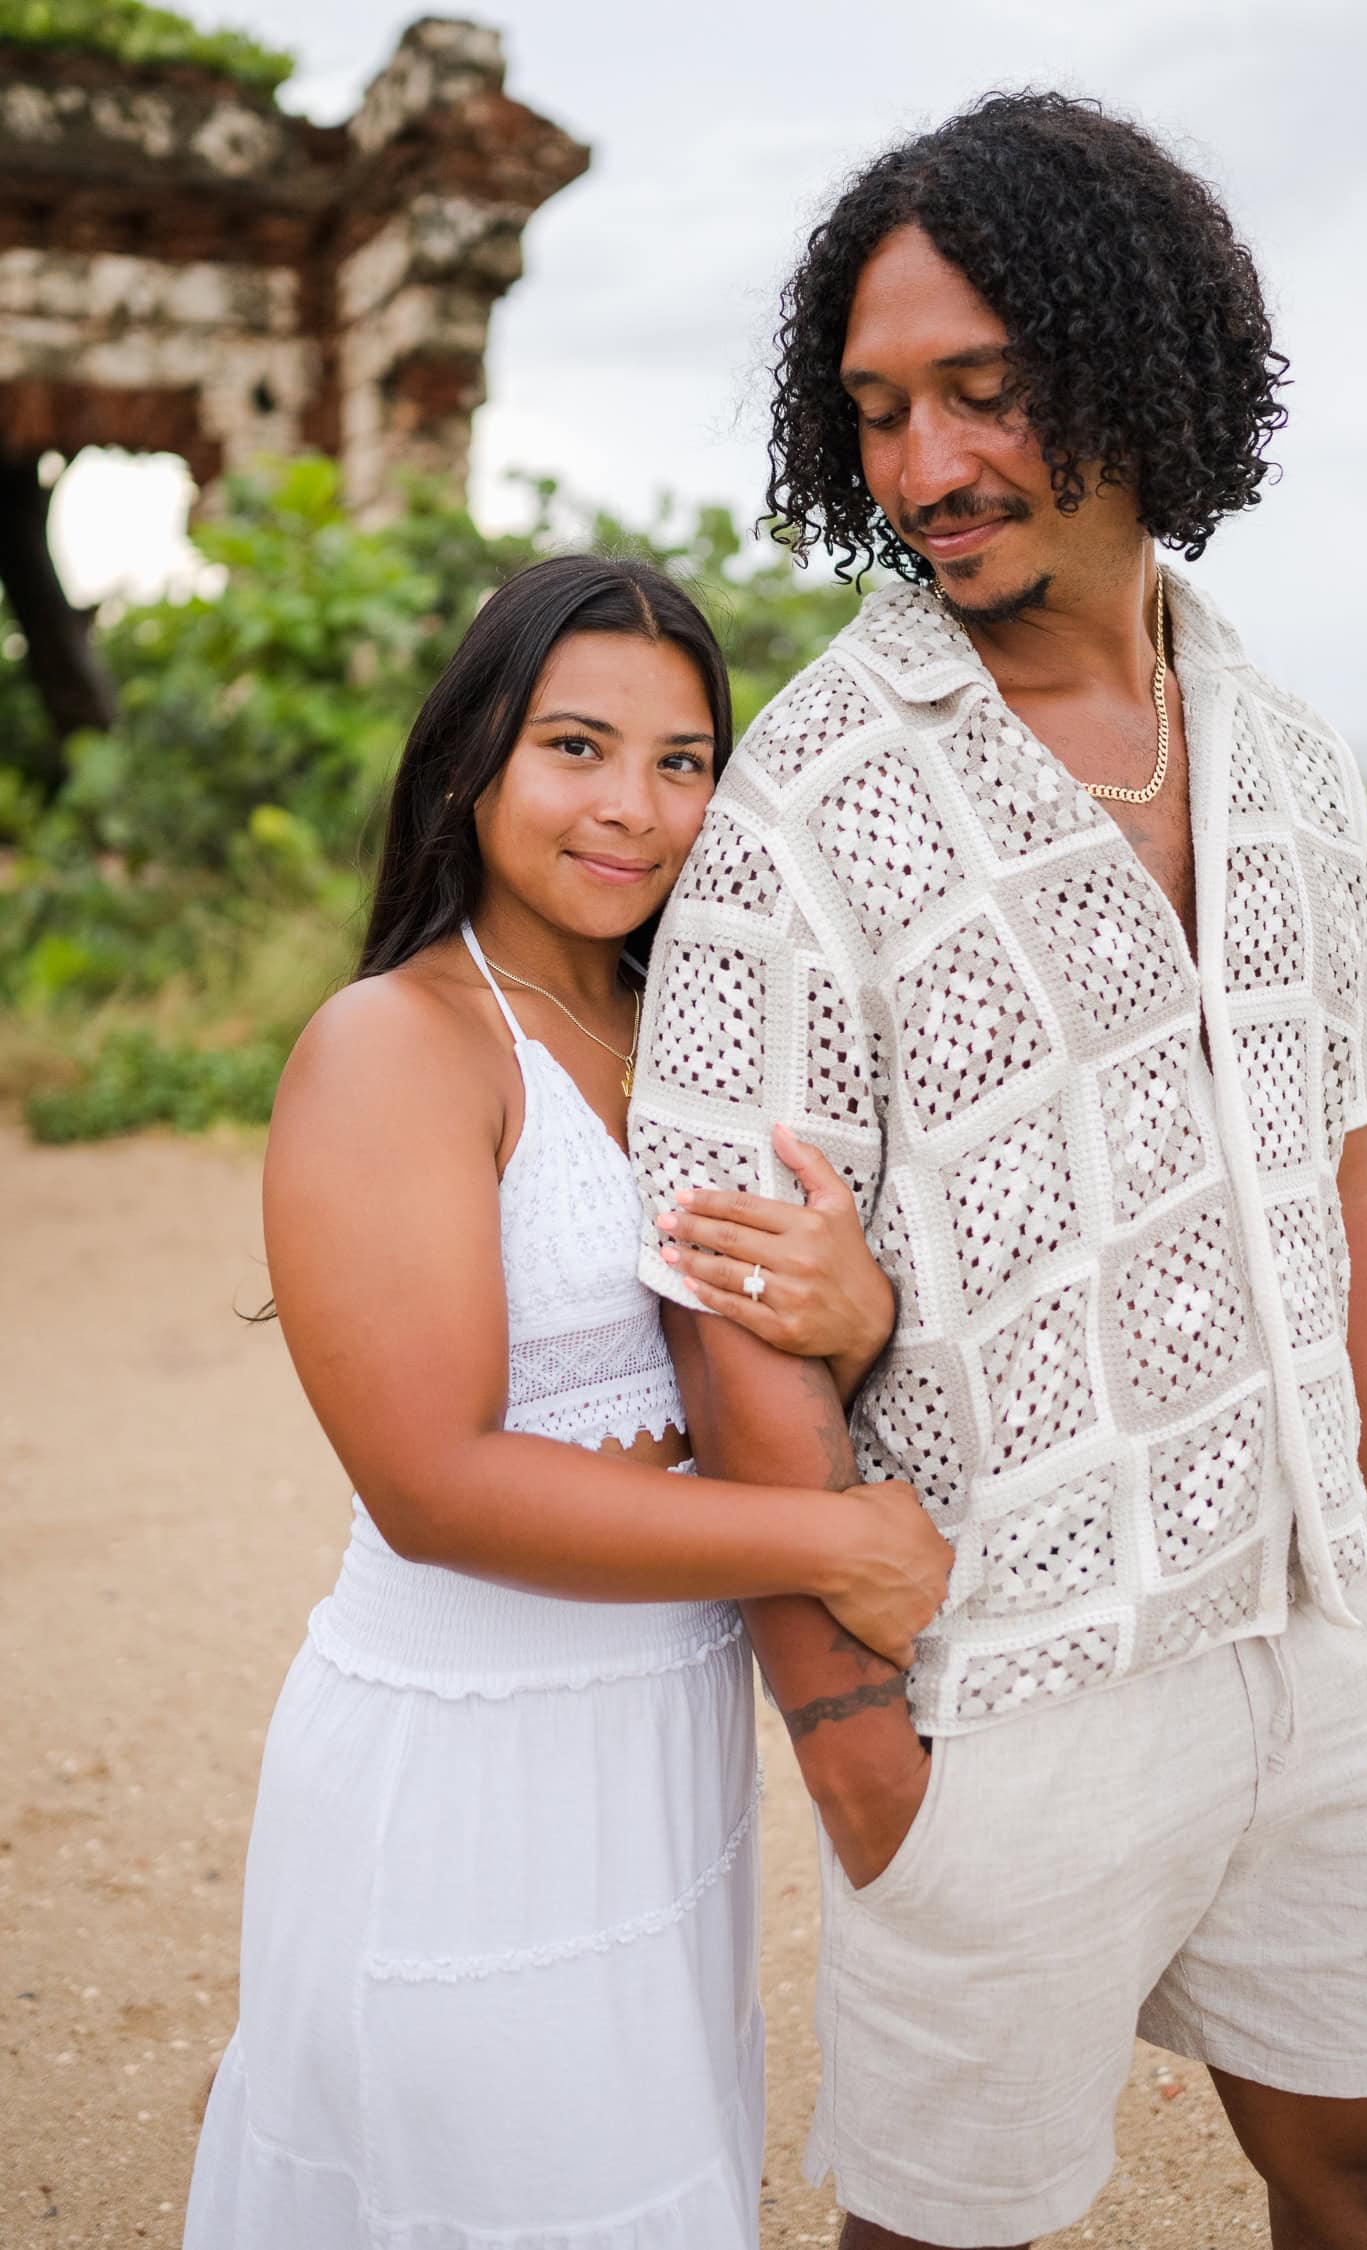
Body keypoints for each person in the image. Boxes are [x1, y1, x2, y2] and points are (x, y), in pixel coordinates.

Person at [631, 93, 1367, 2250]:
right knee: (948, 2238)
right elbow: (729, 1277)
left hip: (1325, 1622)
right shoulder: (813, 805)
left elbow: (1342, 1146)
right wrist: (845, 1728)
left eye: (982, 393)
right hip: (1009, 1685)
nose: (924, 468)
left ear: (1130, 360)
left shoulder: (1278, 749)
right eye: (881, 411)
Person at [182, 553, 952, 2250]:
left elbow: (776, 1348)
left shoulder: (687, 1025)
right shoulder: (398, 1044)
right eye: (577, 747)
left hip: (655, 1747)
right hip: (468, 1761)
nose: (636, 809)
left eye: (683, 762)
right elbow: (433, 1483)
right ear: (474, 761)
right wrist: (834, 1542)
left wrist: (864, 1305)